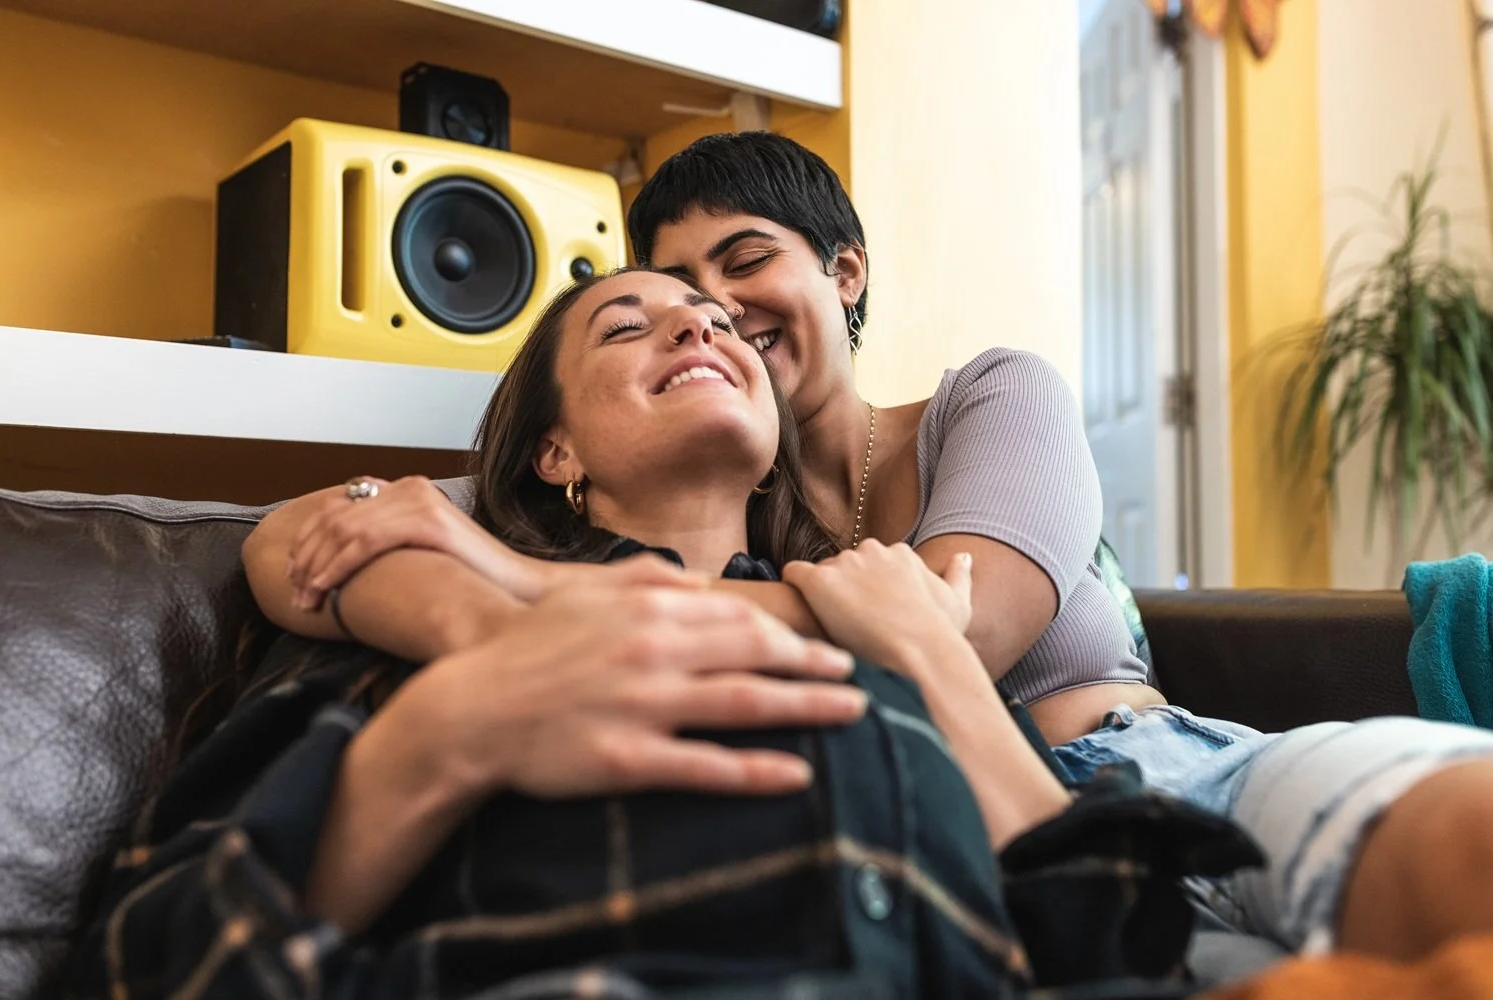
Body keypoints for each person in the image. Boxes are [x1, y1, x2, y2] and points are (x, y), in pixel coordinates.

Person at [266, 131, 1493, 967]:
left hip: (1151, 768)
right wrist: (483, 597)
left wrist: (538, 591)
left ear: (844, 272)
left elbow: (966, 623)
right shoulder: (688, 487)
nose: (713, 310)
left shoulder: (987, 399)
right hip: (961, 857)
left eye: (743, 262)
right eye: (669, 286)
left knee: (1461, 850)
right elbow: (318, 538)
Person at [69, 269, 1085, 999]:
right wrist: (444, 734)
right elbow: (152, 962)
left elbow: (1107, 919)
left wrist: (935, 665)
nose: (698, 328)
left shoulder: (894, 620)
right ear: (554, 451)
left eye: (718, 323)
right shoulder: (403, 600)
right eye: (626, 327)